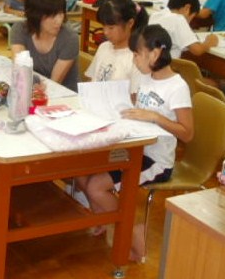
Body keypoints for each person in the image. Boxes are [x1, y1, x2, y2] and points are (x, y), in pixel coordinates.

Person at [80, 25, 193, 262]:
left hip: (156, 160)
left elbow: (187, 134)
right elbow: (138, 106)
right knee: (81, 169)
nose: (134, 59)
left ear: (155, 54)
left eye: (137, 54)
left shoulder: (177, 87)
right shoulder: (145, 77)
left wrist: (156, 117)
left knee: (96, 187)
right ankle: (103, 217)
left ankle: (131, 232)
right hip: (134, 148)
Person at [10, 0, 79, 91]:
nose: (59, 21)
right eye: (52, 16)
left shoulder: (69, 38)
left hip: (64, 94)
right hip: (34, 90)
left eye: (61, 14)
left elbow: (54, 83)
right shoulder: (20, 29)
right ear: (36, 15)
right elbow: (21, 68)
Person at [85, 0, 149, 97]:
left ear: (130, 23)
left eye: (111, 28)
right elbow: (92, 80)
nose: (105, 32)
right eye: (103, 26)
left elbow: (135, 98)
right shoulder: (104, 47)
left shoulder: (137, 57)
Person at [149, 0, 218, 58]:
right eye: (192, 17)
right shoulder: (178, 19)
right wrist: (209, 42)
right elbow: (197, 50)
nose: (189, 22)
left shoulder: (156, 15)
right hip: (167, 63)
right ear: (187, 8)